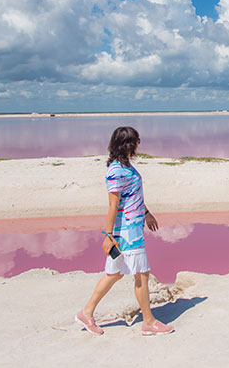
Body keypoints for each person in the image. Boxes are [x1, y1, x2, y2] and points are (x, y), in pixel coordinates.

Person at [75, 126, 174, 336]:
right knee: (142, 274)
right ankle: (148, 322)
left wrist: (146, 213)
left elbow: (133, 195)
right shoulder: (116, 171)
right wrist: (108, 235)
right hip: (127, 232)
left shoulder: (125, 165)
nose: (139, 144)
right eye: (137, 140)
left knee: (115, 273)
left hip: (133, 226)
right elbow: (113, 206)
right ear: (128, 144)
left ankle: (86, 312)